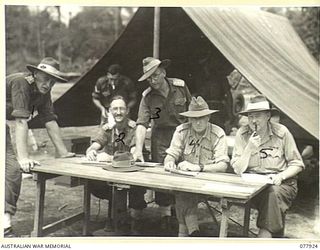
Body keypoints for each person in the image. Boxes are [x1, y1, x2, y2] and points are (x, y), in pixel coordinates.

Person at [5, 57, 75, 237]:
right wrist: (23, 158)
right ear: (35, 73)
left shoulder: (44, 91)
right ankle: (5, 228)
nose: (49, 84)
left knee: (11, 173)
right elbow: (21, 121)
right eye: (46, 78)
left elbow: (50, 121)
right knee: (13, 169)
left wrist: (63, 152)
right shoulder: (22, 82)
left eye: (53, 81)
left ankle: (4, 226)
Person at [231, 95, 305, 238]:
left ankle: (263, 237)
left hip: (282, 183)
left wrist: (280, 176)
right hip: (253, 184)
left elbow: (297, 164)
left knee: (272, 194)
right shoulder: (243, 133)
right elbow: (238, 169)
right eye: (250, 116)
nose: (253, 121)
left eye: (257, 116)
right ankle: (272, 238)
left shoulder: (282, 132)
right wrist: (249, 149)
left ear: (268, 116)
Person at [133, 57, 192, 233]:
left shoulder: (180, 86)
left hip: (182, 133)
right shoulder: (147, 96)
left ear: (164, 73)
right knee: (164, 175)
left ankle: (184, 214)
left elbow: (192, 110)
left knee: (185, 173)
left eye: (155, 76)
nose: (153, 81)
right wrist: (137, 149)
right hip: (161, 138)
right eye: (149, 78)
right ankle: (166, 216)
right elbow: (142, 123)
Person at [164, 96, 229, 237]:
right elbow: (171, 153)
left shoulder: (218, 134)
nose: (198, 122)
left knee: (183, 192)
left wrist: (198, 167)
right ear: (189, 119)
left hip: (211, 180)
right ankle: (192, 232)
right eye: (194, 118)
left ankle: (184, 233)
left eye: (202, 117)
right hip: (188, 182)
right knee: (184, 189)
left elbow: (223, 165)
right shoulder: (182, 131)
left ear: (208, 118)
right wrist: (169, 161)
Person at [85, 95, 146, 234]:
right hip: (114, 174)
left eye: (121, 109)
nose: (118, 112)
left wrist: (109, 157)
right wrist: (91, 152)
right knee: (98, 184)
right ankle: (117, 218)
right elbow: (94, 146)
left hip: (134, 173)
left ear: (127, 111)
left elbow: (132, 154)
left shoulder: (133, 128)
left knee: (135, 193)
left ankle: (135, 221)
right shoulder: (107, 129)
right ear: (109, 111)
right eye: (115, 109)